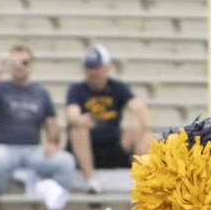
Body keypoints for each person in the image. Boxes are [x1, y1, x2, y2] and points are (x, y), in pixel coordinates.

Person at [0, 45, 75, 210]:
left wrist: (53, 143)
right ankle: (0, 209)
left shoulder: (41, 93)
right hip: (4, 147)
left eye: (24, 62)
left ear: (32, 65)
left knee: (65, 161)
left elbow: (51, 122)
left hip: (33, 149)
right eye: (15, 62)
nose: (20, 66)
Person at [65, 45, 153, 192]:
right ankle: (91, 180)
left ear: (106, 67)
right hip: (87, 149)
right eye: (90, 68)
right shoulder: (77, 89)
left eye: (97, 67)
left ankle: (142, 179)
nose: (94, 72)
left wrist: (145, 125)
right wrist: (80, 119)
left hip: (112, 146)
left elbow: (139, 108)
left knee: (141, 129)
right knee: (77, 128)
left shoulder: (118, 88)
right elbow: (72, 112)